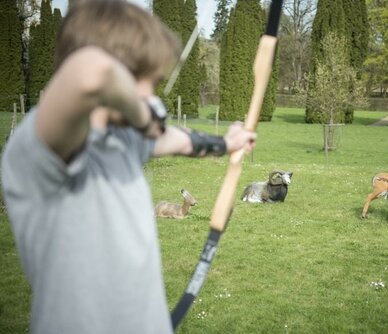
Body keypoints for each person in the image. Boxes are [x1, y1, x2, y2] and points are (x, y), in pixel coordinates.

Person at [1, 1, 256, 333]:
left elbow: (175, 139)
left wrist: (225, 143)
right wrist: (142, 113)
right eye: (145, 81)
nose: (153, 95)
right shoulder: (42, 148)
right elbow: (88, 70)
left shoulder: (120, 140)